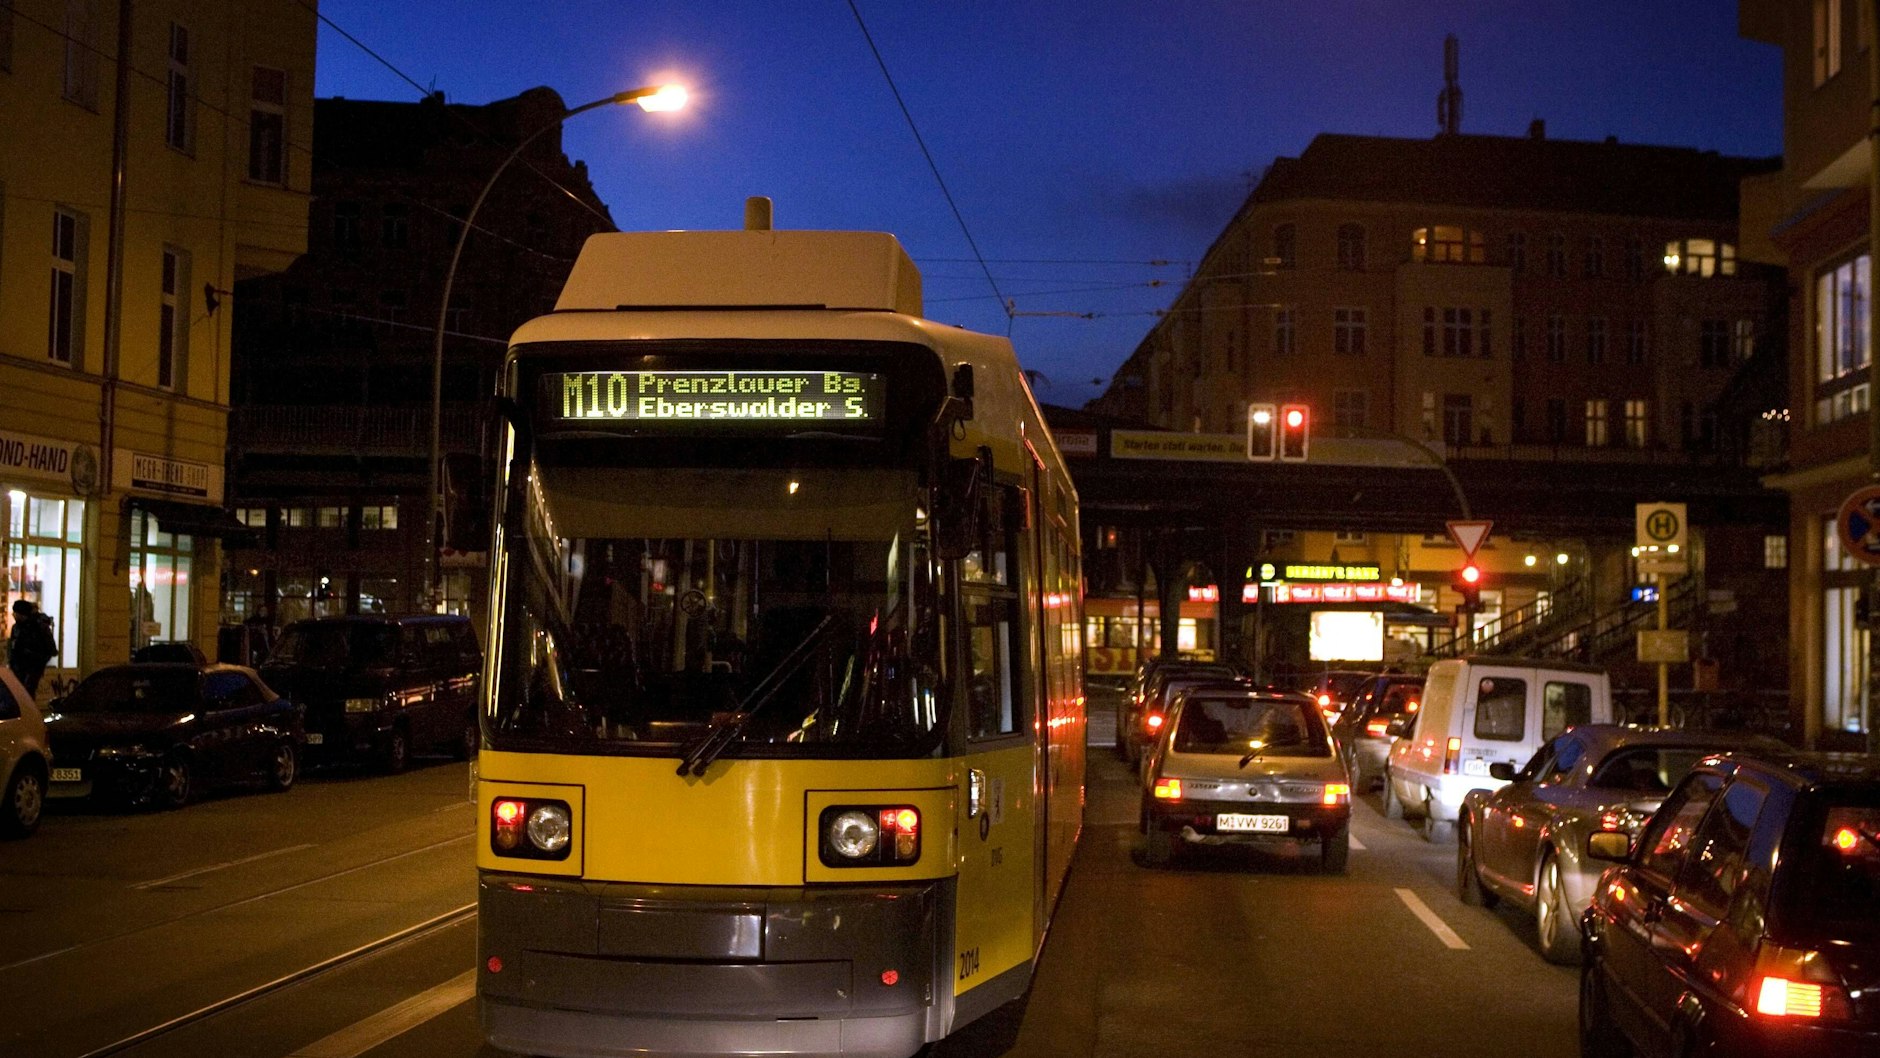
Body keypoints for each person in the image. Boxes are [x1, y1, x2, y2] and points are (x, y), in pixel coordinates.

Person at [8, 599, 58, 695]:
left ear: (21, 613)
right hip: (19, 667)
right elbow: (13, 646)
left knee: (27, 692)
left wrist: (38, 661)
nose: (13, 615)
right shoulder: (17, 627)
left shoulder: (38, 627)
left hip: (32, 666)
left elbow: (50, 648)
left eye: (15, 612)